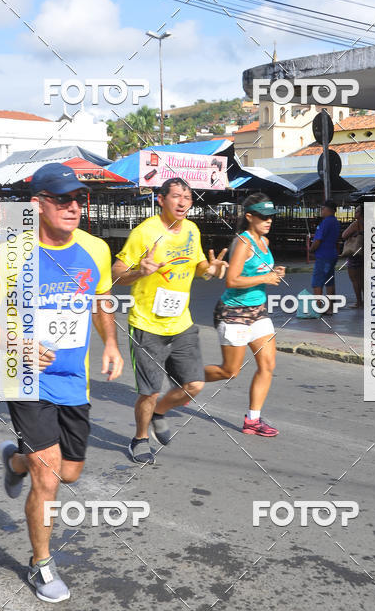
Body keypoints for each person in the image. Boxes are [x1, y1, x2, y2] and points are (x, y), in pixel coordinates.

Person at [0, 163, 123, 604]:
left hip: (74, 378)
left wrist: (110, 342)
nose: (74, 207)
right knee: (49, 475)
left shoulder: (95, 249)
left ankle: (14, 461)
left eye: (78, 199)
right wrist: (16, 341)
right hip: (26, 374)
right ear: (38, 205)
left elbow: (102, 299)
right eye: (62, 199)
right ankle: (41, 564)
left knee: (70, 472)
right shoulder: (11, 255)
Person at [111, 177, 227, 465]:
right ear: (161, 199)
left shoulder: (191, 229)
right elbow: (116, 273)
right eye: (176, 196)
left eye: (187, 197)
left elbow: (198, 266)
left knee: (195, 384)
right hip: (147, 325)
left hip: (182, 324)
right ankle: (139, 438)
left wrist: (209, 269)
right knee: (148, 391)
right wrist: (140, 271)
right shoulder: (145, 233)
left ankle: (160, 412)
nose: (183, 202)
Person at [204, 193, 283, 437]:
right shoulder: (244, 242)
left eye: (271, 217)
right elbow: (232, 279)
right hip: (234, 312)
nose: (268, 221)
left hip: (258, 312)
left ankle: (253, 420)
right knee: (230, 371)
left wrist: (274, 273)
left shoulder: (265, 242)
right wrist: (265, 278)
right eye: (263, 217)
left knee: (268, 364)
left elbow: (260, 273)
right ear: (249, 217)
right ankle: (186, 377)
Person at [310, 199, 341, 314]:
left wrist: (311, 249)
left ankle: (319, 308)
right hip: (332, 254)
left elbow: (318, 240)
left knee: (317, 282)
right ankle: (330, 308)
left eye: (322, 208)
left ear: (328, 210)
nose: (321, 211)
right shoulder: (336, 222)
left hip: (323, 255)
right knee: (330, 282)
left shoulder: (325, 222)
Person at [341, 203, 364, 308]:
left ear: (361, 213)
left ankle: (359, 302)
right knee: (364, 279)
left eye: (357, 211)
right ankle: (367, 300)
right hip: (365, 253)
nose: (355, 213)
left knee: (355, 279)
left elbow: (344, 235)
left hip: (355, 254)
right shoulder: (370, 223)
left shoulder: (356, 224)